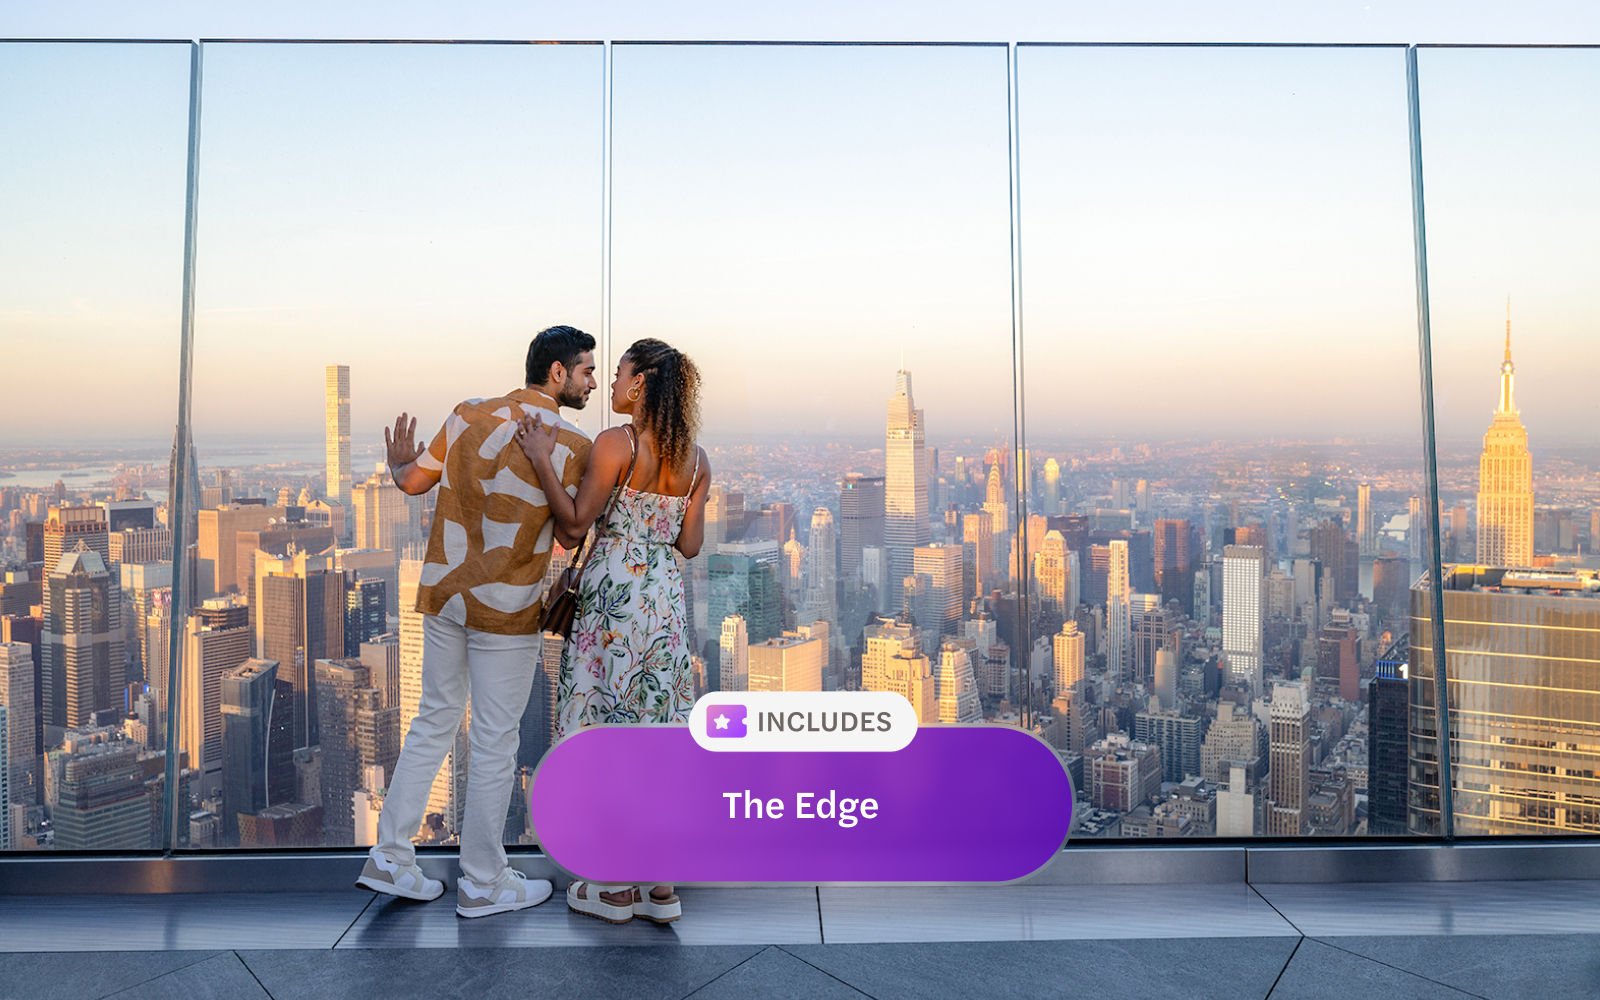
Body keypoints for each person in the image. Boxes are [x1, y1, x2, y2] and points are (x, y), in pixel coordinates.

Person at [355, 325, 596, 918]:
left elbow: (412, 481)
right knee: (494, 741)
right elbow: (570, 534)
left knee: (432, 721)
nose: (592, 382)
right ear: (558, 373)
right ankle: (483, 882)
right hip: (505, 610)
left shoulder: (466, 414)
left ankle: (390, 857)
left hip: (443, 593)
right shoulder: (573, 442)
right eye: (587, 371)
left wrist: (395, 462)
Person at [517, 337, 710, 925]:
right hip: (665, 605)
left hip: (613, 603)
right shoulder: (698, 460)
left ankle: (614, 890)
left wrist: (542, 459)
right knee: (655, 733)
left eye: (621, 371)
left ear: (643, 383)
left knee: (606, 731)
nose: (613, 382)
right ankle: (660, 889)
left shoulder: (615, 444)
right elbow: (691, 545)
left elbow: (573, 527)